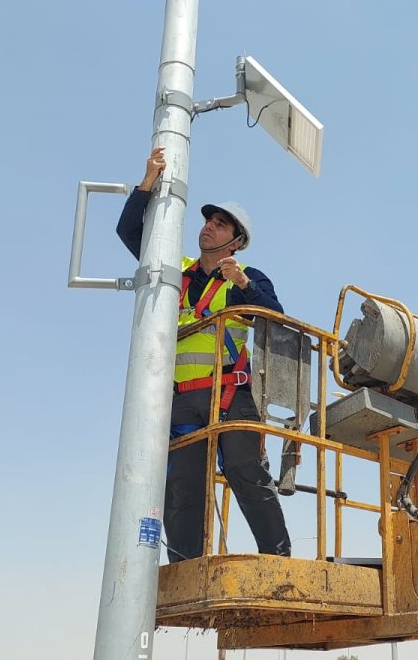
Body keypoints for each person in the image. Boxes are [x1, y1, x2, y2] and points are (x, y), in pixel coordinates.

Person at [116, 146, 291, 562]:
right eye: (209, 221)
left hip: (230, 394)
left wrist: (244, 284)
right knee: (182, 485)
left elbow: (276, 319)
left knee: (246, 472)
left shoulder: (246, 277)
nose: (209, 227)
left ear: (237, 241)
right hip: (182, 399)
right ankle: (186, 567)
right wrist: (147, 184)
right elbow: (129, 233)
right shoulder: (174, 270)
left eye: (220, 224)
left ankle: (277, 560)